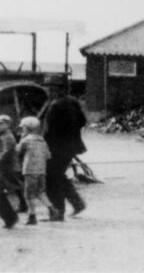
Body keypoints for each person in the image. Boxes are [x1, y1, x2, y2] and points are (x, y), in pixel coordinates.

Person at [40, 74, 87, 221]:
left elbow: (49, 131)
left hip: (55, 148)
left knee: (51, 179)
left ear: (56, 89)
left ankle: (57, 212)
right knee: (57, 175)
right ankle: (77, 203)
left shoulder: (56, 104)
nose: (47, 90)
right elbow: (83, 121)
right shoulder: (72, 101)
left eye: (49, 88)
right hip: (69, 146)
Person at [15, 117, 52, 225]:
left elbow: (17, 151)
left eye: (23, 129)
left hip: (29, 170)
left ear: (28, 128)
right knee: (41, 192)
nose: (22, 131)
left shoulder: (26, 140)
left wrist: (21, 139)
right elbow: (48, 155)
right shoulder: (42, 140)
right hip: (41, 170)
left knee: (29, 195)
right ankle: (52, 209)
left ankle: (32, 217)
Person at [0, 115, 19, 229]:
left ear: (8, 124)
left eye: (1, 123)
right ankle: (10, 217)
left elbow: (6, 153)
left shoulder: (7, 136)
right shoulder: (3, 135)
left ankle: (10, 217)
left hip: (4, 168)